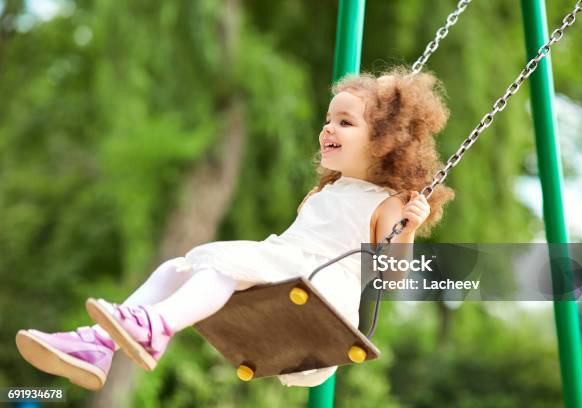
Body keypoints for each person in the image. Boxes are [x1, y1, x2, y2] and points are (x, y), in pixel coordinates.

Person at [15, 65, 454, 391]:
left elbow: (391, 277)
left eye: (345, 122)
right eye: (328, 119)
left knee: (221, 265)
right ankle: (98, 346)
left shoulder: (390, 203)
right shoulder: (322, 194)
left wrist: (410, 228)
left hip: (322, 299)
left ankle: (153, 329)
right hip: (289, 277)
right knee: (177, 268)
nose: (327, 128)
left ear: (383, 142)